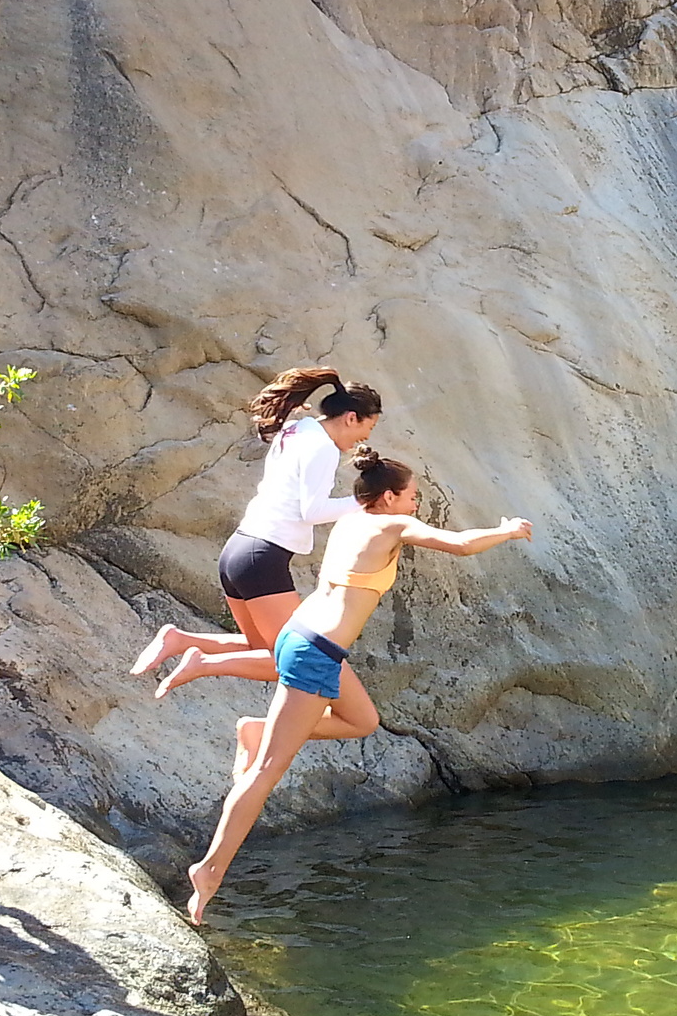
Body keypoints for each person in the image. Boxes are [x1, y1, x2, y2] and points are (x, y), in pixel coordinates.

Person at [185, 447, 529, 921]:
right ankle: (210, 869)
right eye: (412, 497)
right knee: (266, 771)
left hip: (301, 636)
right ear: (389, 497)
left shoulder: (351, 520)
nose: (415, 505)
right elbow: (463, 544)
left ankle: (257, 729)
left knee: (363, 720)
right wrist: (507, 531)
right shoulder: (391, 525)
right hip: (314, 651)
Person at [128, 366, 382, 697]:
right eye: (368, 427)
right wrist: (364, 503)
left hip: (239, 550)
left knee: (259, 646)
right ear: (351, 417)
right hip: (262, 559)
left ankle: (181, 640)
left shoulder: (297, 429)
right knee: (292, 661)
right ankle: (201, 662)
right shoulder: (322, 448)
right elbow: (313, 512)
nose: (365, 438)